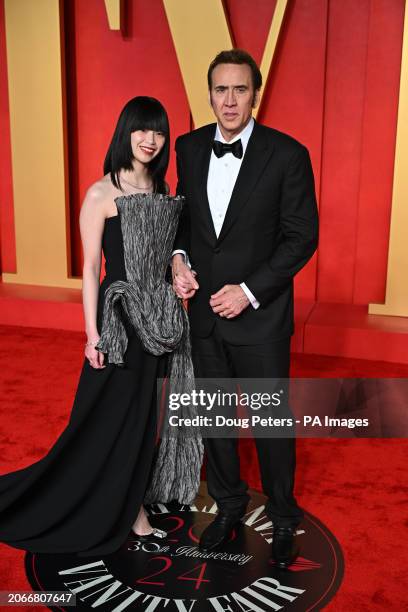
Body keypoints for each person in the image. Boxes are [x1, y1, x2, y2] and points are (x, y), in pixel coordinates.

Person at [0, 96, 200, 556]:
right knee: (103, 417)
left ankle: (131, 505)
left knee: (142, 417)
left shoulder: (163, 189)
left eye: (158, 132)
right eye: (141, 130)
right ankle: (115, 507)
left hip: (158, 319)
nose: (150, 140)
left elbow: (170, 251)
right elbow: (91, 268)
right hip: (119, 319)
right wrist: (92, 335)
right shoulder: (100, 193)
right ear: (125, 132)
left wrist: (178, 273)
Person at [172, 49, 319, 568]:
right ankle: (229, 505)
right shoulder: (188, 149)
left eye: (239, 90)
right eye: (220, 90)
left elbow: (302, 238)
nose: (229, 100)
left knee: (270, 422)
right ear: (208, 93)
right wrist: (177, 258)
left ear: (255, 94)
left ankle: (282, 518)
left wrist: (249, 291)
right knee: (213, 417)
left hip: (259, 316)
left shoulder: (287, 154)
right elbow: (184, 222)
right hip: (204, 315)